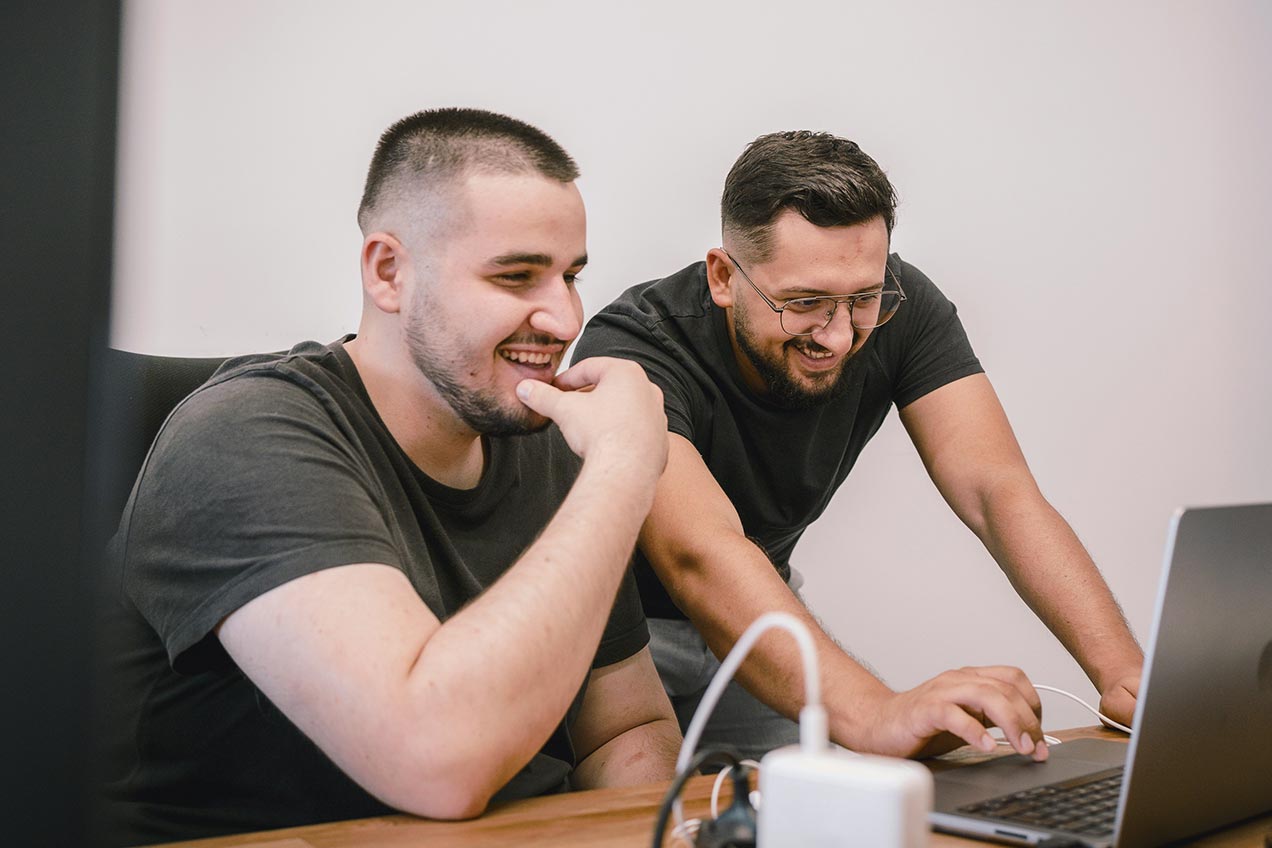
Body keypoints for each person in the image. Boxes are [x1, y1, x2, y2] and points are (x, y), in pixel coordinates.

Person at [100, 108, 679, 846]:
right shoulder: (242, 437)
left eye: (571, 276)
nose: (566, 318)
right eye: (517, 275)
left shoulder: (541, 435)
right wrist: (625, 465)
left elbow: (625, 728)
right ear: (388, 271)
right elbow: (437, 762)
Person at [571, 130, 1144, 763]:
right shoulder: (636, 346)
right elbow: (699, 553)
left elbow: (996, 491)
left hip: (762, 608)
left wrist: (1125, 681)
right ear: (723, 277)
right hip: (618, 634)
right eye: (805, 302)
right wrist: (875, 710)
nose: (839, 336)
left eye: (863, 299)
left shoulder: (904, 307)